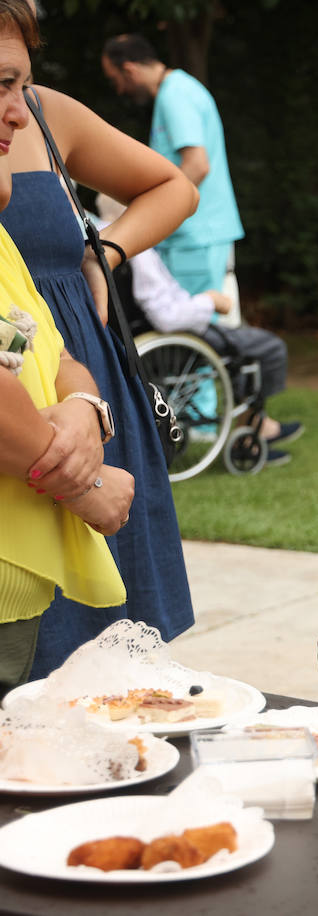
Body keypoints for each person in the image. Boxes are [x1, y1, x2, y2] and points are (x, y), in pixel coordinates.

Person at [0, 6, 199, 678]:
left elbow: (172, 185)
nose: (14, 107)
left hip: (76, 374)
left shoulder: (45, 113)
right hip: (20, 399)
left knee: (117, 664)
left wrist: (103, 254)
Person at [0, 0, 131, 695]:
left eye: (20, 87)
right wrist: (87, 485)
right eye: (0, 85)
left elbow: (35, 342)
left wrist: (83, 402)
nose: (20, 114)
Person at [95, 194, 303, 458]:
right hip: (173, 335)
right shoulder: (137, 250)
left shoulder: (99, 244)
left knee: (243, 346)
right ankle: (253, 428)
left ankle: (256, 425)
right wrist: (209, 302)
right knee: (268, 347)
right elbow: (166, 316)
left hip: (148, 334)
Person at [100, 33, 243, 306]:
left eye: (114, 79)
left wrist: (151, 210)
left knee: (195, 330)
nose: (118, 90)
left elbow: (197, 165)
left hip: (195, 238)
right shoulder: (177, 90)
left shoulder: (175, 95)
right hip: (194, 236)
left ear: (129, 69)